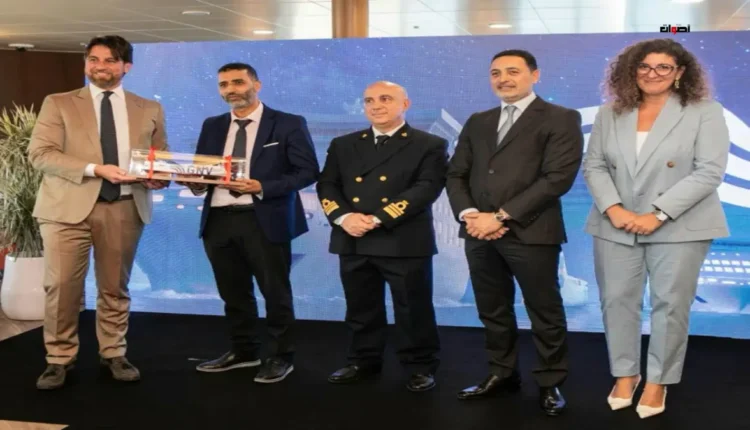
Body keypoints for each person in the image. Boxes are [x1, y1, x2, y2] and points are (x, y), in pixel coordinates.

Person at [582, 38, 730, 419]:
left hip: (680, 223)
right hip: (616, 222)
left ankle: (657, 381)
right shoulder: (610, 113)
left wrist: (658, 213)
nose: (653, 73)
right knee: (616, 300)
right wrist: (614, 208)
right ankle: (625, 374)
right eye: (644, 66)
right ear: (631, 70)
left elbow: (710, 171)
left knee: (670, 304)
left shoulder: (705, 112)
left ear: (679, 72)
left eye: (663, 67)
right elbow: (594, 165)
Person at [446, 50, 583, 415]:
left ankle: (550, 382)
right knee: (492, 309)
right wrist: (471, 215)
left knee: (544, 311)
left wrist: (501, 217)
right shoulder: (478, 121)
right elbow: (456, 173)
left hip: (532, 232)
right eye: (496, 73)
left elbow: (557, 178)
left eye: (512, 71)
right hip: (478, 232)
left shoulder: (561, 117)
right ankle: (502, 373)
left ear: (534, 75)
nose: (503, 79)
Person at [28, 35, 169, 390]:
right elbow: (41, 154)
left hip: (124, 207)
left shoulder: (148, 108)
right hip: (65, 209)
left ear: (126, 66)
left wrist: (159, 178)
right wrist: (95, 169)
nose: (99, 66)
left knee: (115, 287)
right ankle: (59, 358)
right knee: (62, 287)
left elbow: (160, 157)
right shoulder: (59, 103)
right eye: (93, 59)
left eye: (109, 60)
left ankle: (114, 353)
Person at [181, 63, 319, 384]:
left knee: (275, 293)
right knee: (233, 294)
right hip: (218, 220)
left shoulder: (287, 123)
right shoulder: (212, 125)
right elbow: (204, 173)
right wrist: (195, 183)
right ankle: (244, 351)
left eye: (238, 82)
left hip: (264, 219)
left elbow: (308, 171)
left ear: (256, 84)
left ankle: (281, 356)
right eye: (224, 84)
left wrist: (262, 186)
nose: (231, 89)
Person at [317, 81, 448, 392]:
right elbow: (327, 184)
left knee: (412, 309)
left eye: (386, 99)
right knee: (360, 307)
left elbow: (426, 188)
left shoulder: (429, 144)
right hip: (353, 235)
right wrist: (344, 217)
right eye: (369, 100)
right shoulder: (343, 144)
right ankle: (362, 360)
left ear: (405, 104)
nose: (376, 106)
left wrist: (379, 218)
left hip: (403, 238)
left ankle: (419, 365)